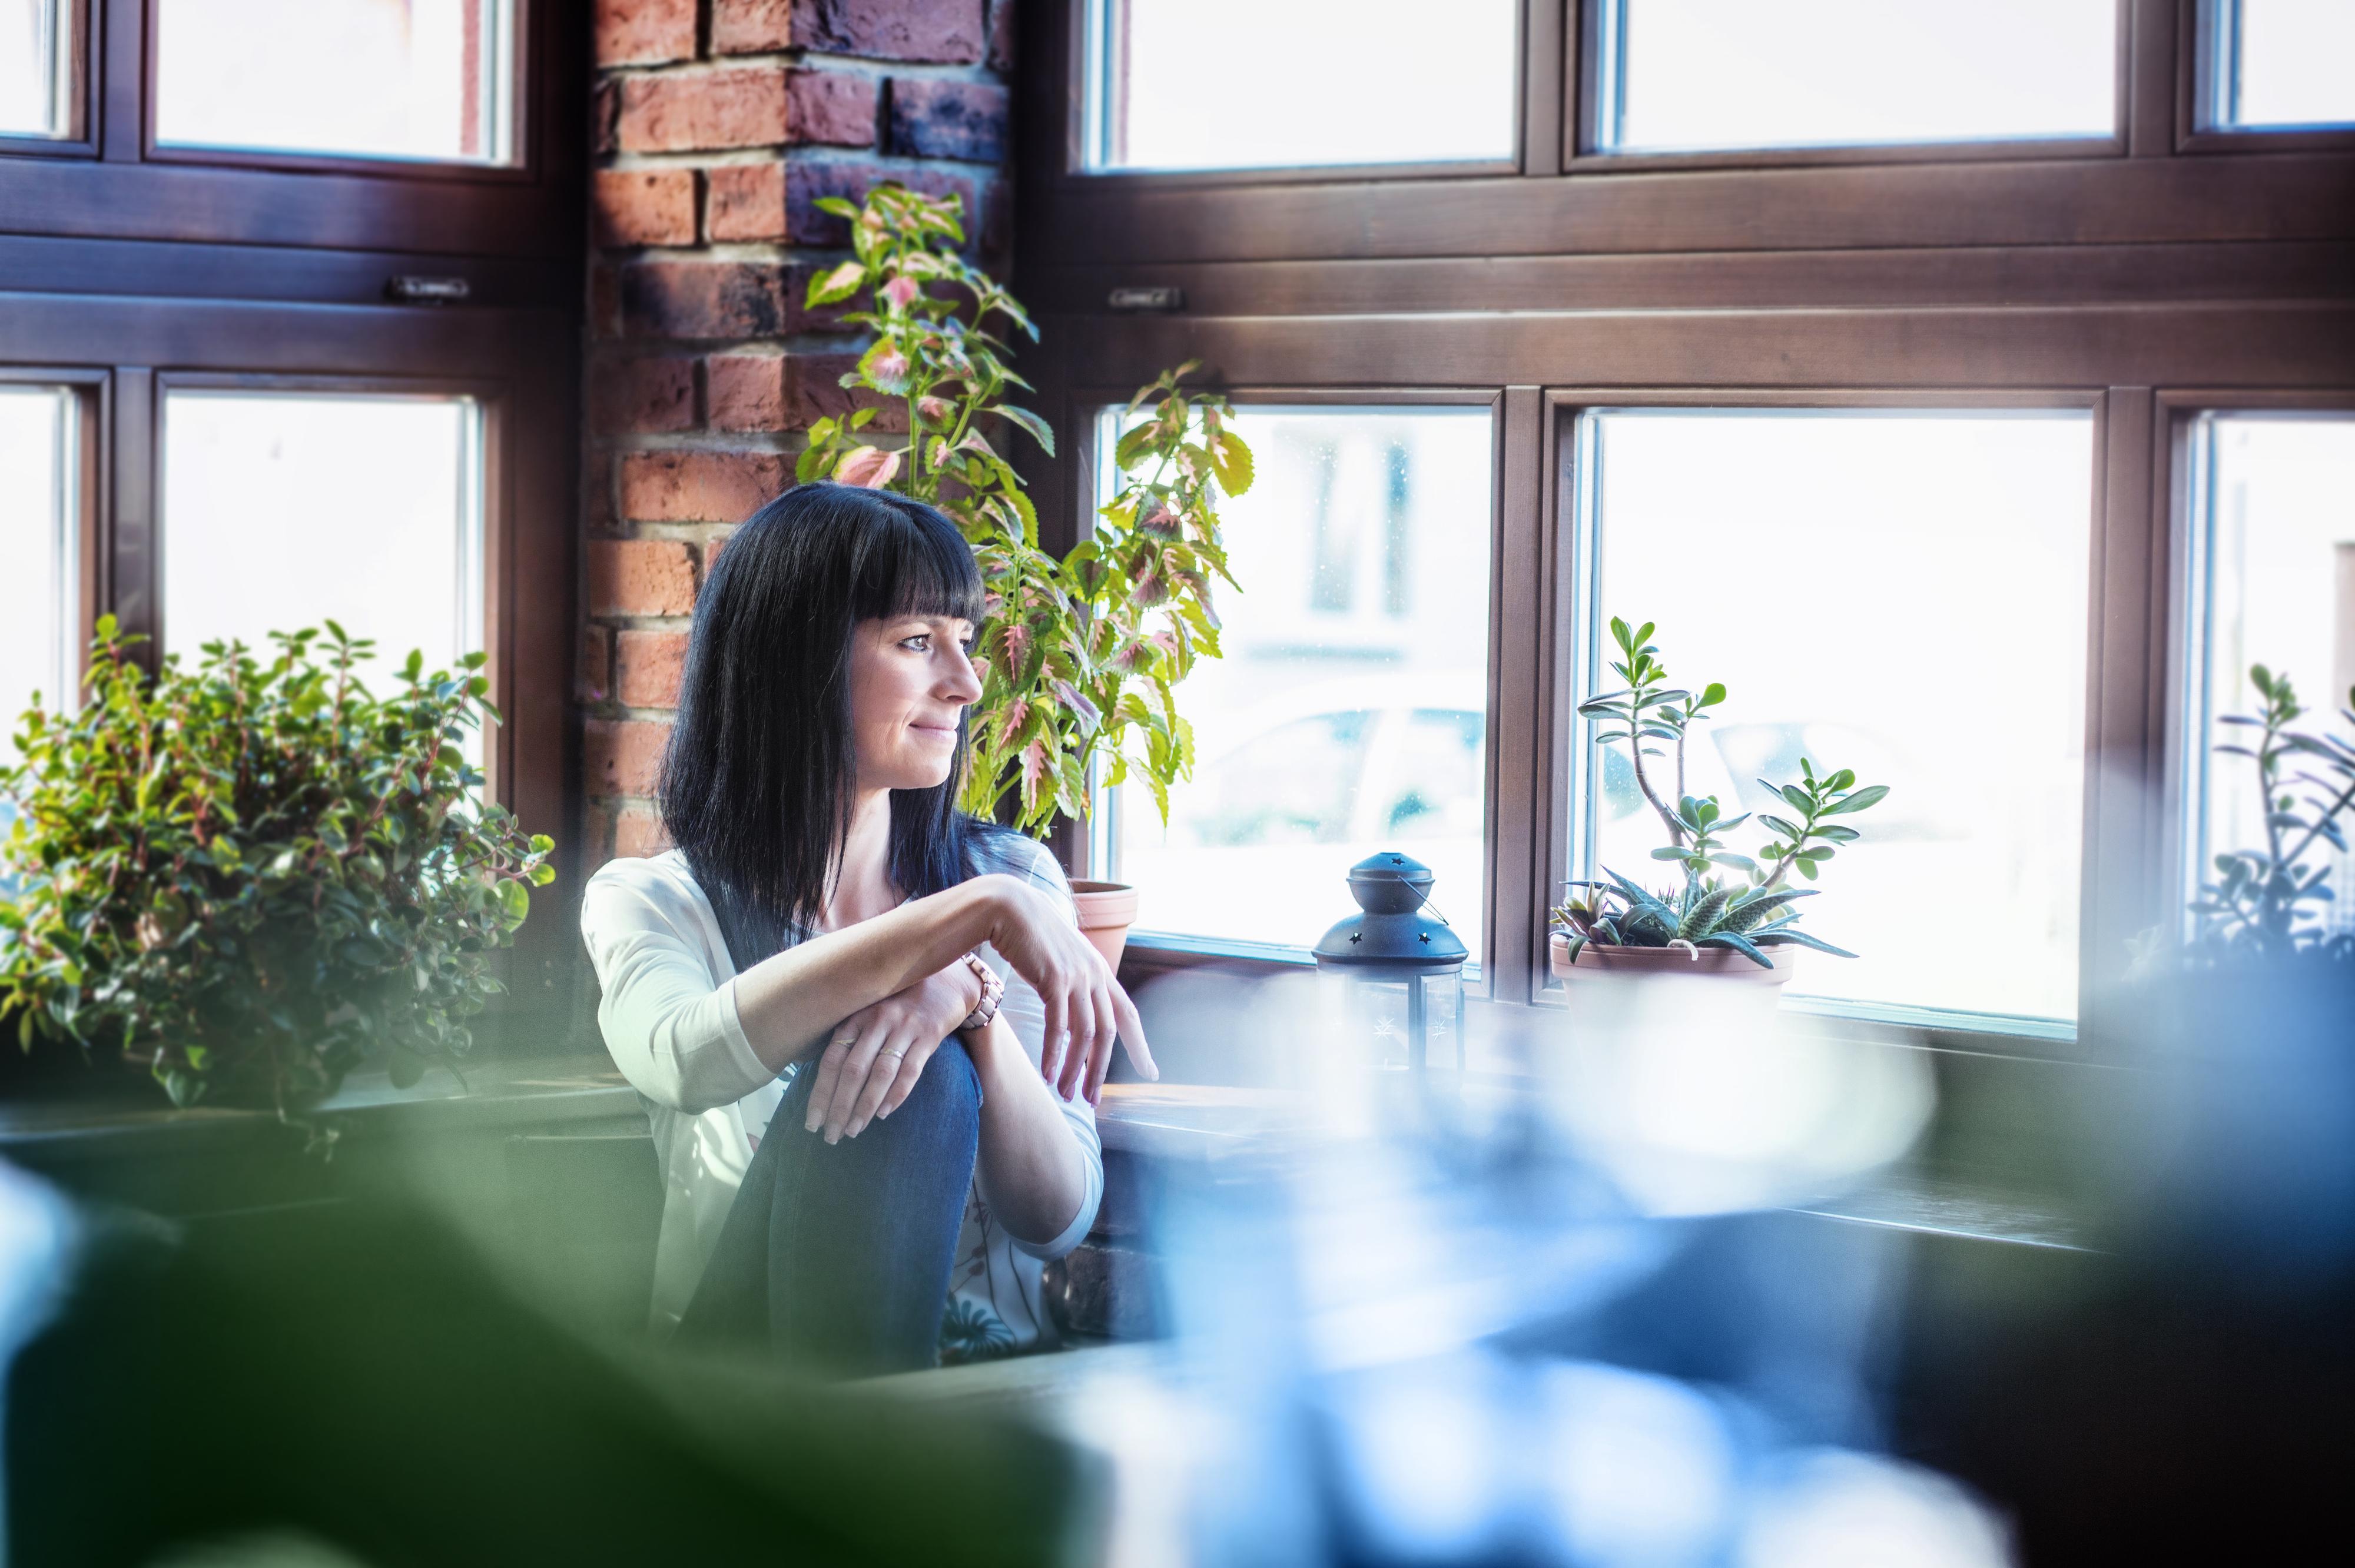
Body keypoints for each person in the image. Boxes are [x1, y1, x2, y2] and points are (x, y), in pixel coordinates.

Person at [579, 482, 1155, 1375]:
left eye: (964, 643)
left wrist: (964, 1005)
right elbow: (685, 1061)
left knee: (926, 1063)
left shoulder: (1014, 878)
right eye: (917, 642)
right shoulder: (658, 901)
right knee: (907, 1080)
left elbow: (1057, 1219)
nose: (965, 683)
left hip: (984, 1403)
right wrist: (964, 924)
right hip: (750, 1391)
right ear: (795, 662)